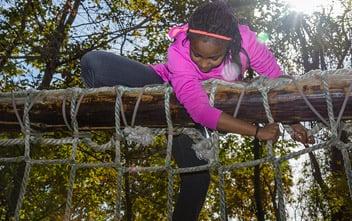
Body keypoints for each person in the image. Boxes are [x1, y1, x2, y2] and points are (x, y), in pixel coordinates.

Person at [80, 1, 314, 220]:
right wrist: (257, 132)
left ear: (230, 45)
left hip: (196, 116)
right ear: (189, 41)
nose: (203, 64)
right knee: (95, 64)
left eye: (214, 58)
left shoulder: (246, 41)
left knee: (198, 179)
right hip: (165, 89)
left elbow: (277, 81)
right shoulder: (178, 51)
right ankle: (142, 116)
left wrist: (294, 123)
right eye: (197, 54)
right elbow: (199, 110)